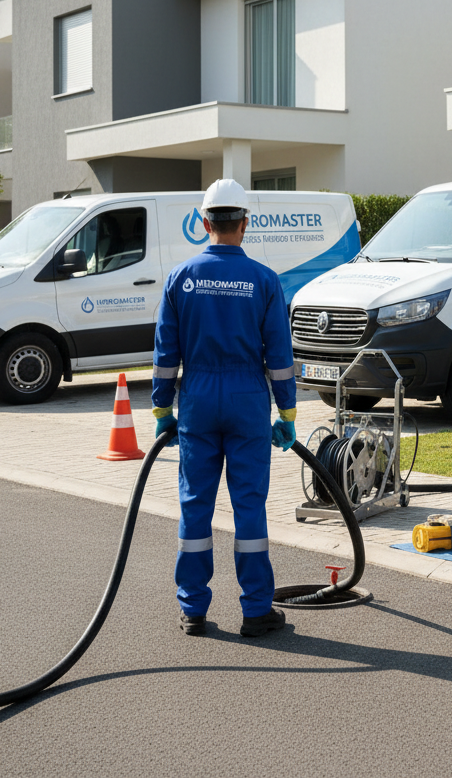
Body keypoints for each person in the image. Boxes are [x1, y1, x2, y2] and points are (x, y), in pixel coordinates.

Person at [151, 178, 298, 636]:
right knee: (248, 507)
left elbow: (164, 354)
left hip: (197, 399)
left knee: (196, 505)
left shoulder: (180, 278)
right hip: (246, 400)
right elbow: (279, 354)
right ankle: (255, 610)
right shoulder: (264, 280)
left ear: (204, 222)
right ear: (245, 224)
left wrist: (162, 411)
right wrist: (287, 414)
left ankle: (193, 608)